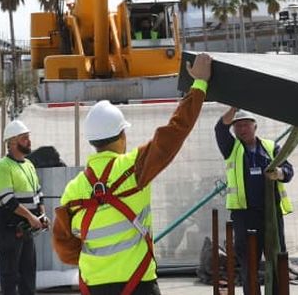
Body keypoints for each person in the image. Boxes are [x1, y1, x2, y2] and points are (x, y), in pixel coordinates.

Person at [53, 53, 213, 294]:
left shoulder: (73, 188)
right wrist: (199, 84)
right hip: (138, 284)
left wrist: (100, 264)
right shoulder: (133, 168)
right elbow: (175, 132)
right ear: (122, 136)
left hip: (94, 286)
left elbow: (63, 247)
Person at [215, 106, 294, 295]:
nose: (242, 129)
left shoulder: (270, 147)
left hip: (271, 214)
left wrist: (280, 173)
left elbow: (289, 171)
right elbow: (219, 128)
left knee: (276, 259)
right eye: (238, 126)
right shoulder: (230, 148)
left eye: (245, 125)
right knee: (249, 262)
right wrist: (234, 108)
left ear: (255, 126)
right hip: (245, 215)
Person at [0, 119, 47, 295]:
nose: (29, 141)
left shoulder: (29, 165)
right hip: (9, 230)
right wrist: (30, 218)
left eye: (28, 137)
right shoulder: (3, 166)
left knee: (28, 274)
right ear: (12, 142)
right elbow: (8, 200)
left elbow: (38, 194)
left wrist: (42, 215)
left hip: (26, 229)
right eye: (24, 138)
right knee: (10, 277)